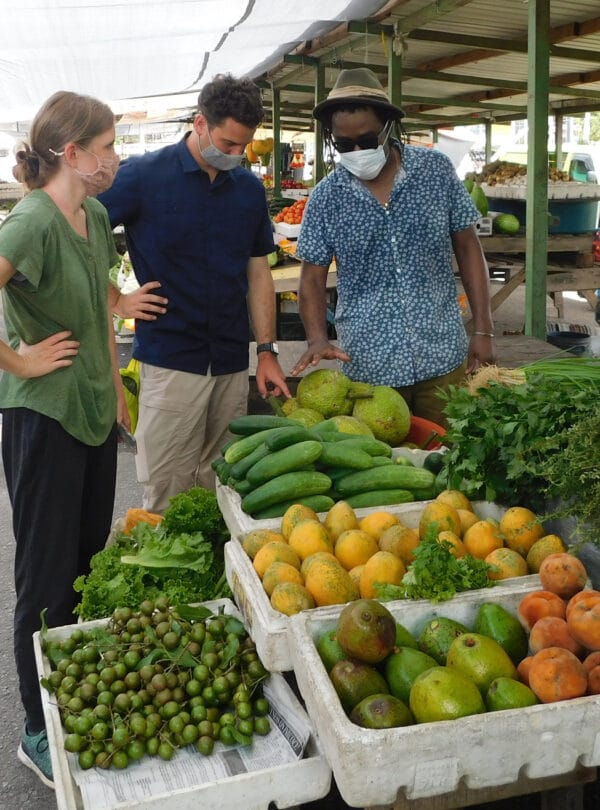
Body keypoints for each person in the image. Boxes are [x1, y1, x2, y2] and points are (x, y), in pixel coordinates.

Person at [0, 90, 133, 788]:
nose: (116, 157)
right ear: (71, 152)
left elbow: (98, 297)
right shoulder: (29, 222)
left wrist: (115, 387)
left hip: (88, 410)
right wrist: (19, 360)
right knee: (45, 574)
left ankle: (72, 692)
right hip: (41, 415)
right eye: (107, 145)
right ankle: (33, 728)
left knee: (84, 559)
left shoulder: (98, 213)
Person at [99, 73, 290, 513]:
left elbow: (258, 269)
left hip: (228, 359)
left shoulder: (246, 189)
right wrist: (116, 300)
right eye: (227, 144)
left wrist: (266, 349)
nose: (236, 155)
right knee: (166, 489)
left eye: (244, 146)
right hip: (170, 359)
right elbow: (80, 234)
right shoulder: (143, 176)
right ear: (200, 123)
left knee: (223, 483)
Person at [292, 68, 496, 426]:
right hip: (369, 369)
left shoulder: (435, 171)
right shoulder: (326, 198)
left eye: (367, 140)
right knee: (385, 472)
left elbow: (467, 247)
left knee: (450, 462)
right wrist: (316, 339)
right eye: (344, 145)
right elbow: (311, 278)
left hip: (443, 357)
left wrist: (483, 329)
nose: (357, 151)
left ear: (388, 127)